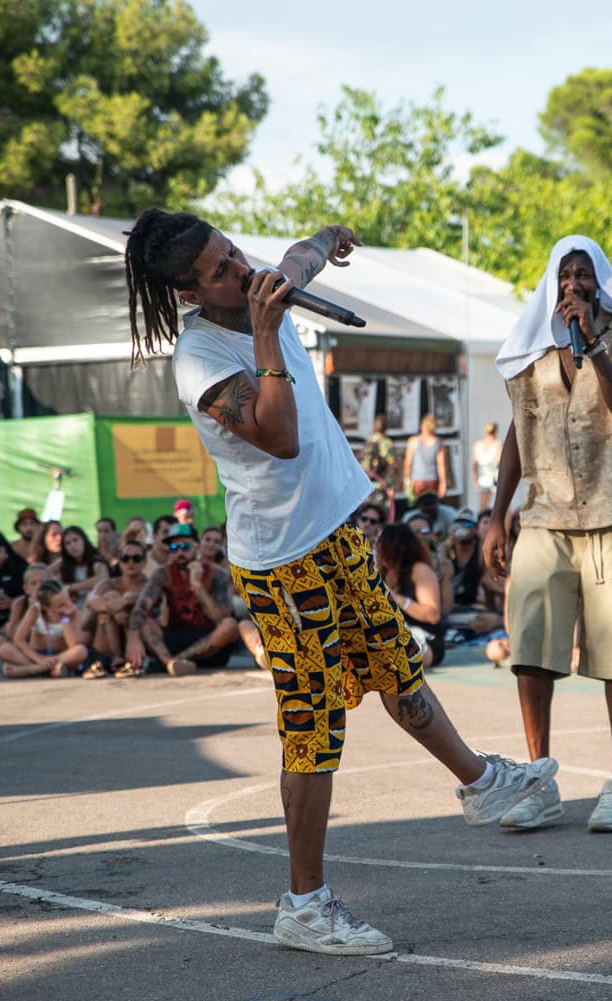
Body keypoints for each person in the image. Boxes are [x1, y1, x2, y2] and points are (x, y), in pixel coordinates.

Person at [125, 207, 556, 955]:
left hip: (333, 533)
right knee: (314, 725)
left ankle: (483, 784)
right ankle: (304, 904)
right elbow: (280, 435)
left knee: (397, 662)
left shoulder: (264, 286)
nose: (241, 269)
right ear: (191, 293)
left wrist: (329, 239)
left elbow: (300, 255)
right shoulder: (200, 355)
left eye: (234, 252)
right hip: (283, 561)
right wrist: (267, 335)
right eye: (220, 270)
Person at [482, 233, 612, 835]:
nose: (573, 286)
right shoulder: (529, 345)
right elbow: (519, 430)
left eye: (583, 275)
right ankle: (540, 781)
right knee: (531, 651)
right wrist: (496, 514)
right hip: (544, 516)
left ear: (600, 280)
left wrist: (594, 348)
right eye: (564, 276)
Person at [123, 523, 239, 675]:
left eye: (185, 547)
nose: (179, 552)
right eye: (174, 548)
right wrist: (133, 637)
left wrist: (198, 587)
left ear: (197, 547)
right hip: (175, 637)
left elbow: (221, 618)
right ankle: (170, 662)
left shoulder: (217, 574)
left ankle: (177, 661)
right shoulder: (163, 574)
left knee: (230, 625)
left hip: (209, 644)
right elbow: (142, 606)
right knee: (144, 621)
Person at [376, 523, 446, 668]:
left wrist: (397, 599)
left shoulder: (420, 570)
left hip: (425, 638)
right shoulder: (381, 574)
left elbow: (433, 615)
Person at [6, 579, 98, 678]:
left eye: (68, 599)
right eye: (61, 605)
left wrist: (64, 619)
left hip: (62, 656)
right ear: (47, 608)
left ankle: (35, 669)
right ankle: (48, 669)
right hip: (38, 654)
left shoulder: (73, 613)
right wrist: (39, 659)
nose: (69, 605)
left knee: (81, 651)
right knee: (5, 649)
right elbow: (19, 639)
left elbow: (73, 644)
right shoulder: (35, 610)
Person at [87, 541, 151, 677]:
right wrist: (113, 609)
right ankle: (116, 657)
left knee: (129, 607)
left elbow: (150, 601)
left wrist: (126, 602)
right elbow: (91, 601)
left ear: (144, 562)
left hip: (141, 637)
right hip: (109, 638)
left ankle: (125, 660)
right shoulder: (109, 583)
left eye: (136, 558)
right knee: (110, 598)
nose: (130, 562)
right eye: (125, 558)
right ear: (119, 562)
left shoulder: (149, 584)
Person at [0, 562, 50, 674]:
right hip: (26, 649)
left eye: (43, 583)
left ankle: (31, 668)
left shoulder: (57, 601)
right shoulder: (19, 604)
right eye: (33, 584)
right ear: (26, 588)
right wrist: (30, 610)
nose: (39, 587)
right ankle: (40, 668)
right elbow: (12, 637)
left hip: (50, 647)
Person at [51, 524, 109, 608]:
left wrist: (71, 587)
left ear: (84, 540)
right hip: (71, 606)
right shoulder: (63, 563)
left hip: (94, 606)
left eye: (75, 540)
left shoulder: (97, 560)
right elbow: (43, 573)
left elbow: (103, 579)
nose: (72, 545)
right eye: (67, 543)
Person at [403, 414, 449, 501]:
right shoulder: (438, 443)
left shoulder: (413, 441)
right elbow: (441, 465)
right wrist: (443, 483)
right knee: (432, 505)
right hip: (433, 480)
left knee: (419, 504)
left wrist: (407, 480)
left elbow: (407, 463)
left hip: (417, 480)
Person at [360, 414, 397, 508]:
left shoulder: (369, 440)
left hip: (368, 482)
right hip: (381, 483)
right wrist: (391, 486)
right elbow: (391, 464)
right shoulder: (386, 442)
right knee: (380, 511)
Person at [472, 422, 502, 512]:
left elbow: (474, 465)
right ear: (496, 432)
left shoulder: (477, 445)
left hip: (483, 478)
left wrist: (476, 480)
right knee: (501, 506)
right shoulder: (498, 445)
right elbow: (499, 463)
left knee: (483, 506)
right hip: (494, 478)